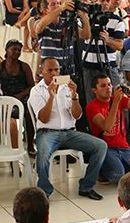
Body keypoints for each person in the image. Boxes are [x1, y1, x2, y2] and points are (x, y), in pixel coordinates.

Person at [30, 57, 107, 200]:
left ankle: (86, 186)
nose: (54, 73)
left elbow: (77, 116)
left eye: (57, 70)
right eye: (50, 70)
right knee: (42, 155)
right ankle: (44, 192)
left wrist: (74, 96)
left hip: (69, 132)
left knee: (101, 145)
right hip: (47, 133)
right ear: (41, 72)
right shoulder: (37, 91)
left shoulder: (67, 88)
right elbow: (43, 118)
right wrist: (51, 97)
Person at [86, 74, 130, 184]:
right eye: (103, 86)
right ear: (94, 90)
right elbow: (107, 126)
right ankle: (102, 171)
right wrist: (116, 101)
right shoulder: (92, 106)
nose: (108, 88)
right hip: (107, 149)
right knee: (117, 175)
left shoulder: (119, 100)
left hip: (124, 147)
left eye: (109, 84)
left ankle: (122, 166)